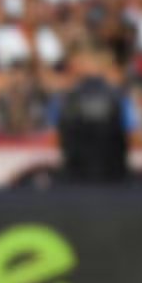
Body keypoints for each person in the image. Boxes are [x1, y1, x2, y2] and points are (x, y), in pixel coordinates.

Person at [54, 45, 135, 184]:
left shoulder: (64, 98)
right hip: (112, 177)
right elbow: (132, 136)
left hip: (74, 177)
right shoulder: (119, 98)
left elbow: (55, 138)